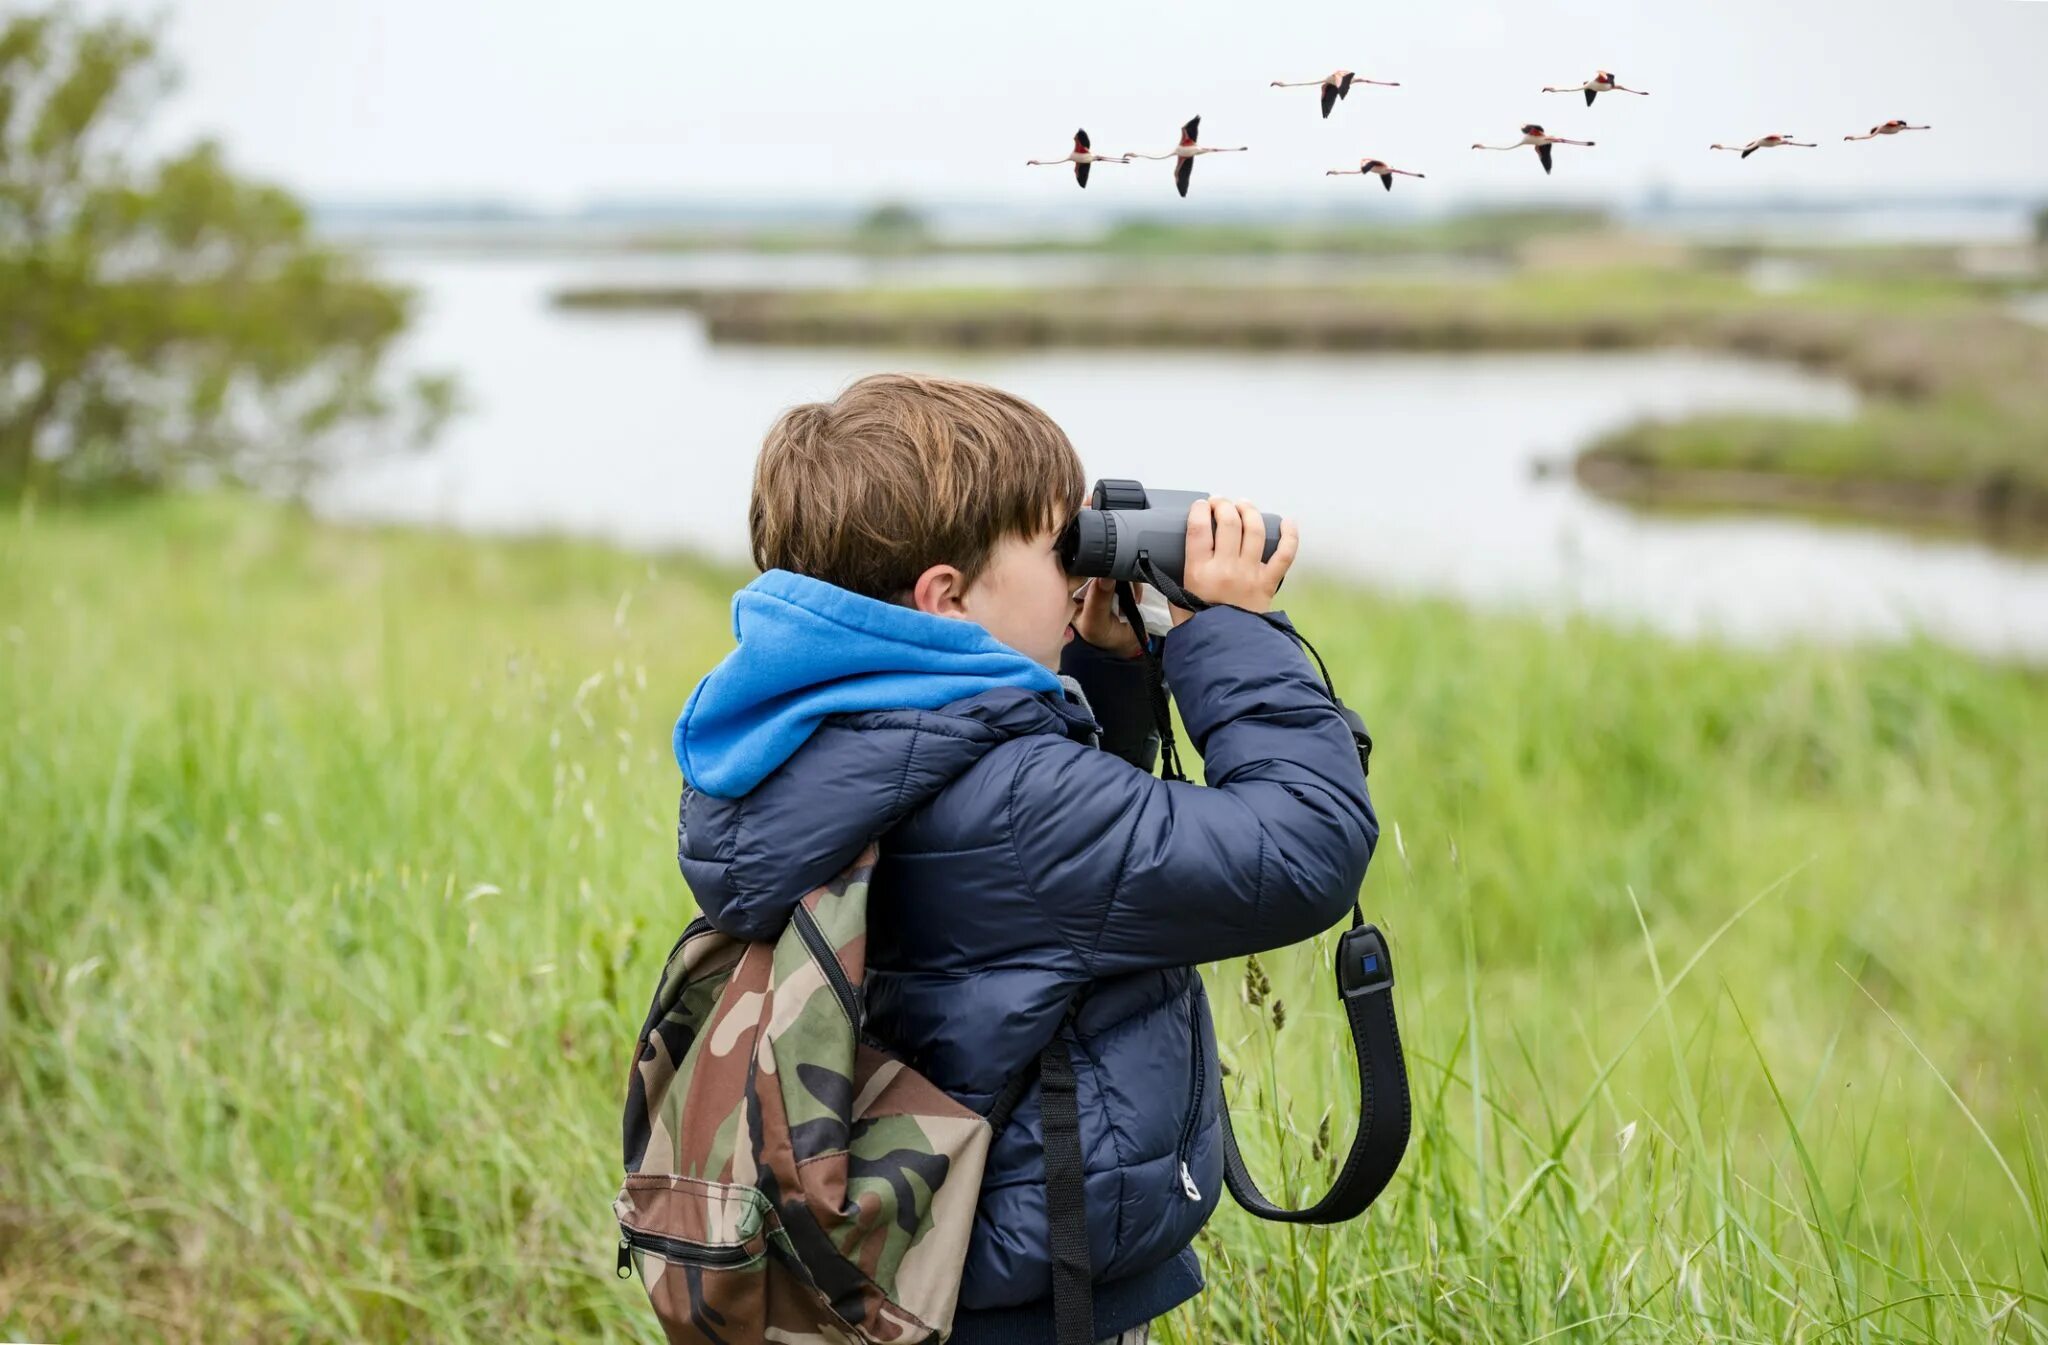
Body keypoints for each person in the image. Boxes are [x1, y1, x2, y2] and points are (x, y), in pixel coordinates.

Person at [672, 372, 1377, 1344]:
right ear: (947, 598)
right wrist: (1232, 636)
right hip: (1030, 1297)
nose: (1080, 573)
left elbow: (1050, 887)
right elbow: (1303, 846)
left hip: (910, 1263)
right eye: (1058, 549)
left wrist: (1104, 671)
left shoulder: (807, 747)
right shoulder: (1018, 800)